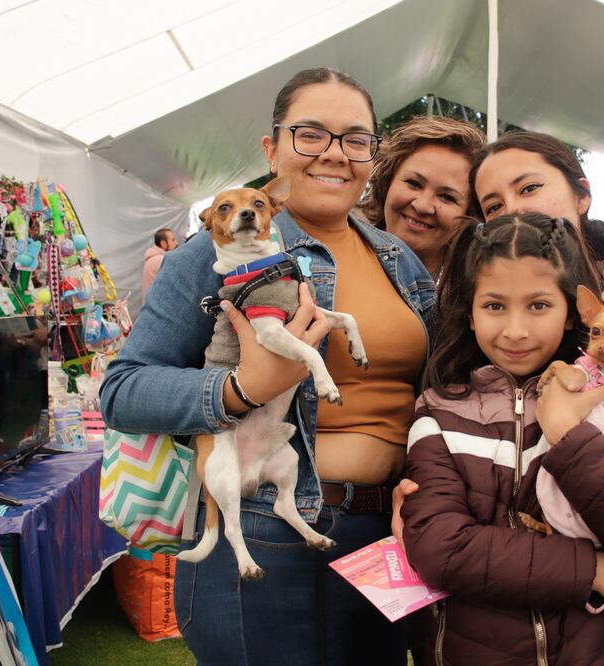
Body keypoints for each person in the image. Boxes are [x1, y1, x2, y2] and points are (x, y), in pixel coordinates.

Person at [100, 67, 436, 666]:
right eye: (311, 134)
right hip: (266, 528)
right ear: (272, 147)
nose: (334, 154)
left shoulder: (397, 256)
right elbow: (123, 390)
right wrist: (239, 389)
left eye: (355, 139)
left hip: (387, 534)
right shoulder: (214, 252)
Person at [393, 129, 604, 666]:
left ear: (581, 194)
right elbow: (442, 540)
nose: (512, 209)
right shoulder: (453, 393)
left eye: (528, 188)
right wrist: (595, 570)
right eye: (492, 203)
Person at [358, 116, 485, 280]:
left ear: (469, 214)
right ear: (387, 182)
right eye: (413, 183)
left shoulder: (477, 290)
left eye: (446, 197)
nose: (422, 206)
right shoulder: (333, 260)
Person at [141, 227, 179, 303]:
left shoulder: (153, 258)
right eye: (173, 240)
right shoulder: (161, 260)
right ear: (163, 244)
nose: (177, 243)